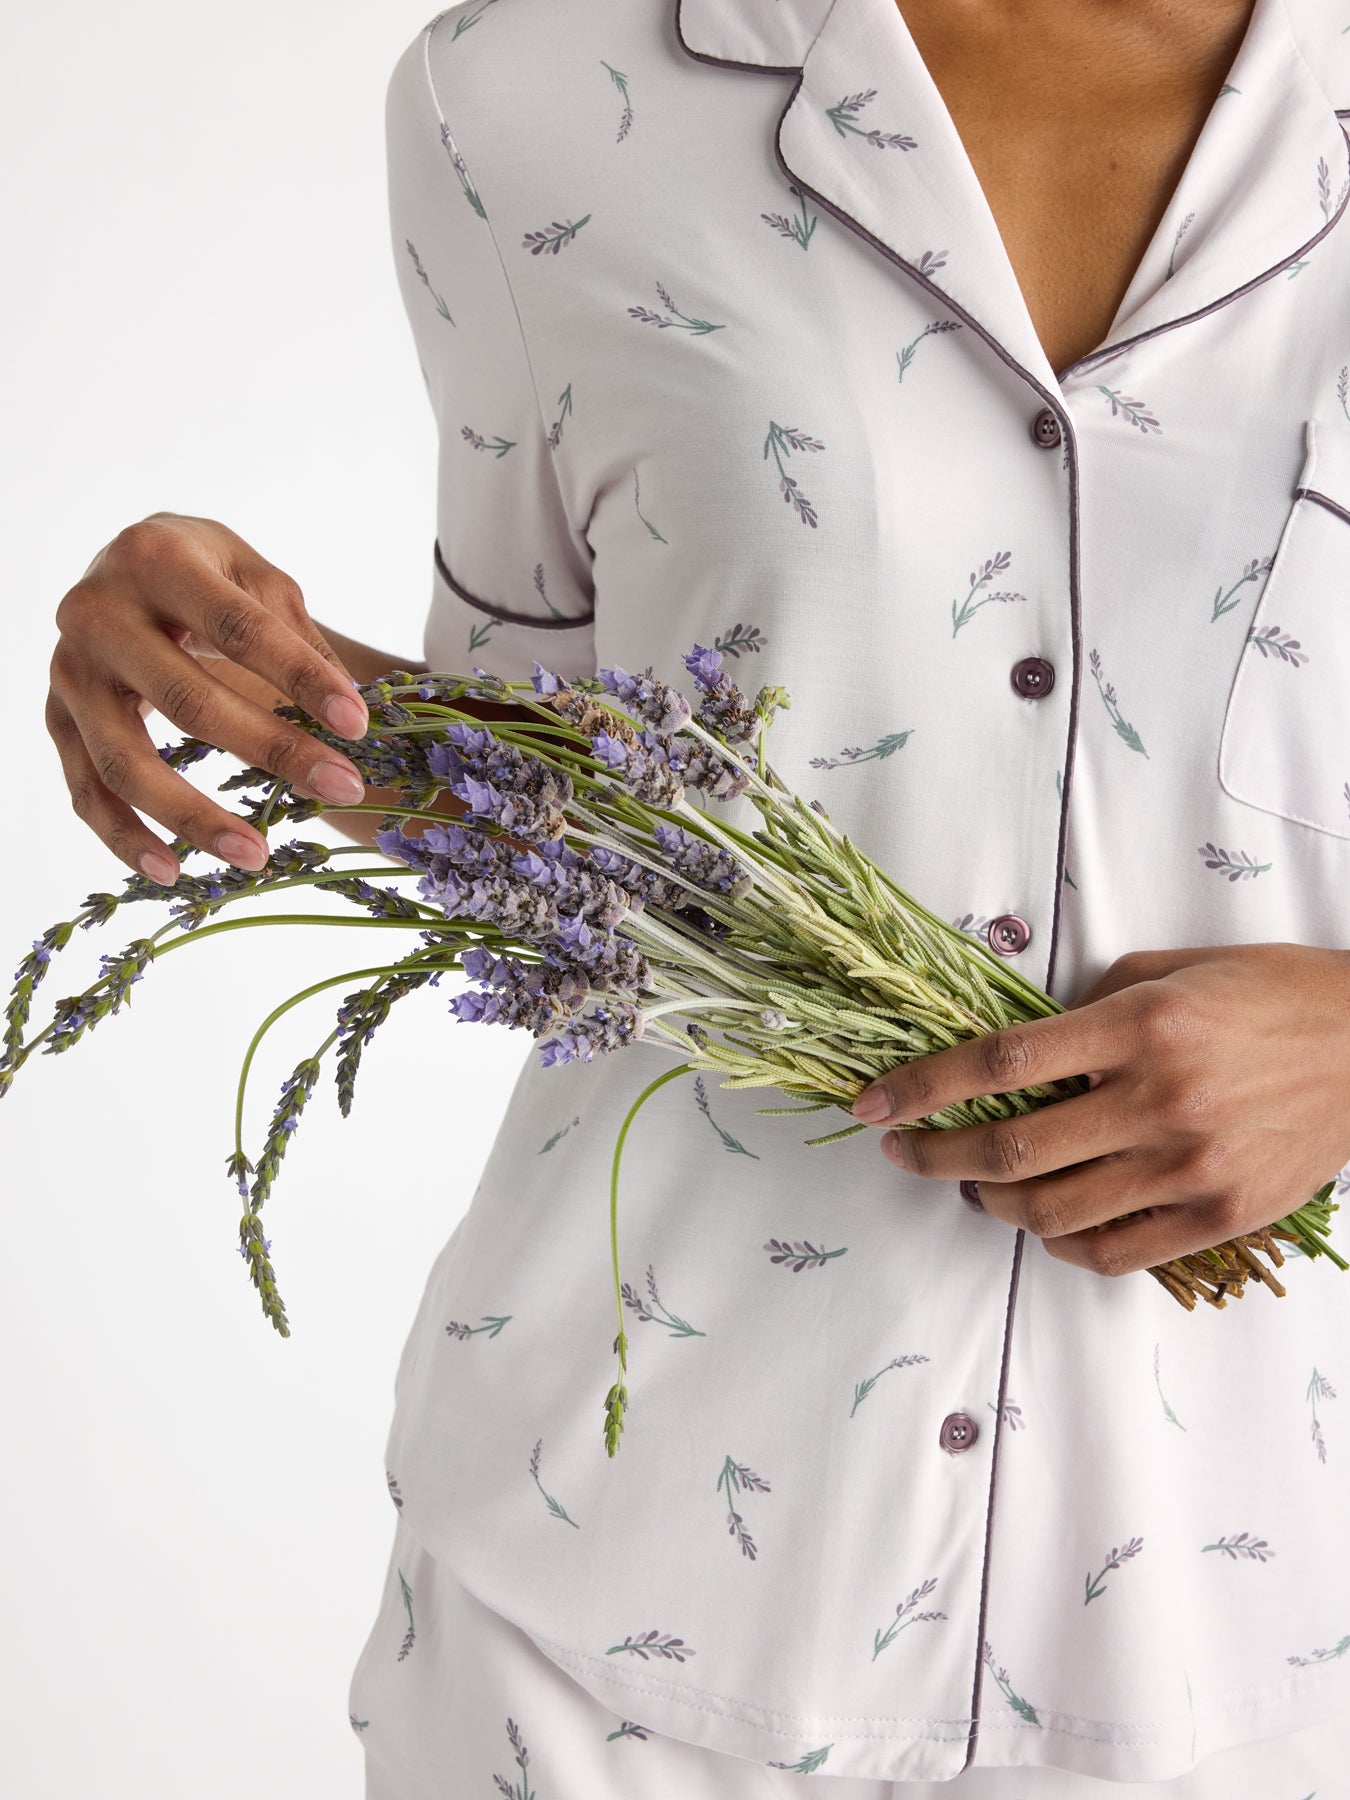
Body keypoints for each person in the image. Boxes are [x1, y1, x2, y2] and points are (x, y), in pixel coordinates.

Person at [45, 0, 1350, 1791]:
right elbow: (571, 804)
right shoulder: (525, 97)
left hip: (1248, 1610)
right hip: (618, 1609)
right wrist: (255, 673)